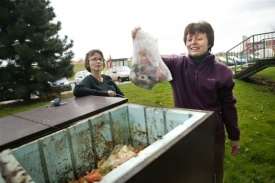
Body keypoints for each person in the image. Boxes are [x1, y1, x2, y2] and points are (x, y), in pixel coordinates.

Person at [131, 21, 240, 183]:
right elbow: (152, 61)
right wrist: (140, 41)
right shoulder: (176, 65)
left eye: (199, 38)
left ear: (209, 42)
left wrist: (234, 135)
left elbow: (228, 106)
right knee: (186, 174)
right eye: (189, 39)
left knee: (213, 175)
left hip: (212, 135)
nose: (193, 42)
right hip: (182, 132)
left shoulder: (222, 72)